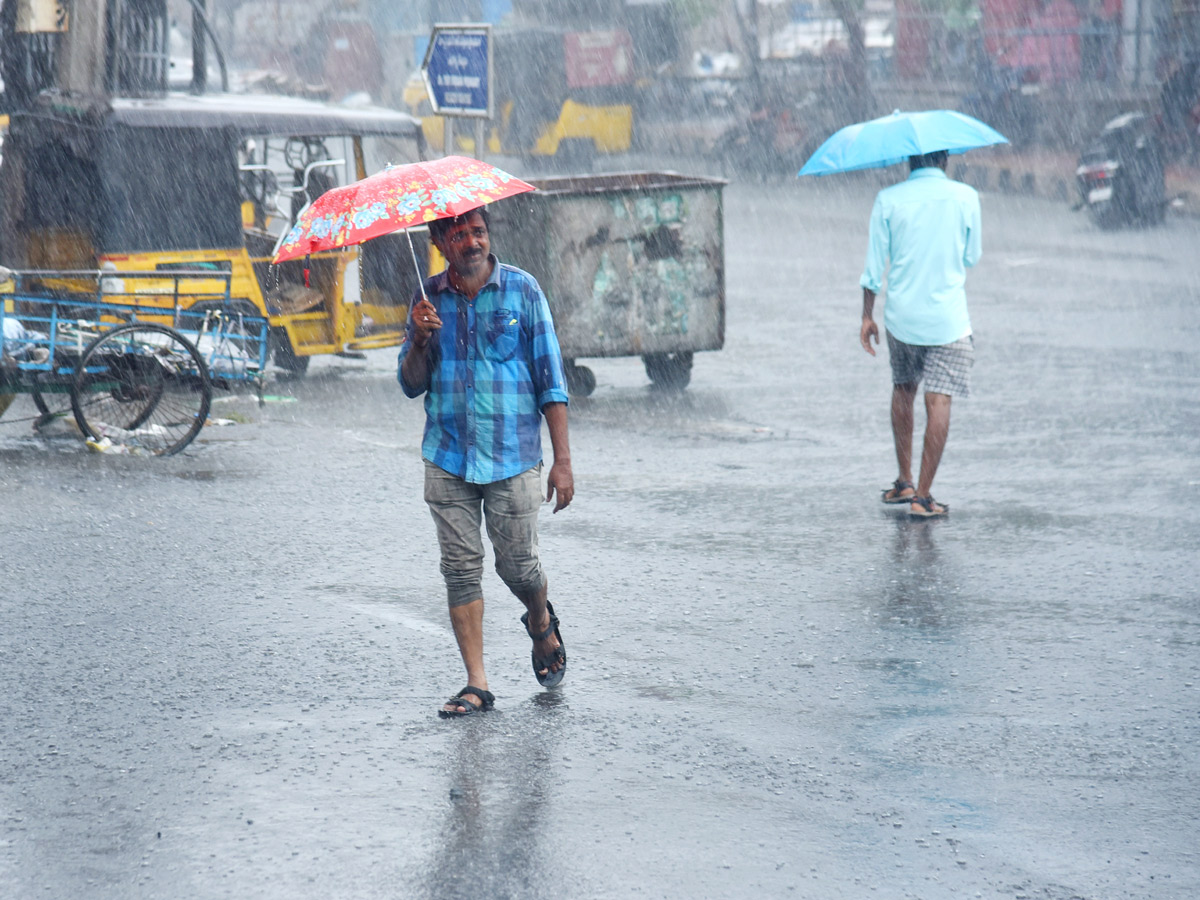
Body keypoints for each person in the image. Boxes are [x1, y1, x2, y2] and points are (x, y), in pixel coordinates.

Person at [397, 206, 574, 718]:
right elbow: (411, 383)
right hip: (448, 454)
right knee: (459, 569)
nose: (471, 242)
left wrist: (562, 461)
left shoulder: (523, 291)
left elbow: (552, 379)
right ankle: (477, 683)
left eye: (478, 232)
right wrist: (420, 339)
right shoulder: (425, 299)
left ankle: (540, 621)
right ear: (439, 243)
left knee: (518, 566)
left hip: (512, 455)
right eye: (458, 235)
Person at [859, 150, 982, 519]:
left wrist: (866, 315)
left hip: (902, 318)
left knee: (904, 388)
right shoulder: (966, 197)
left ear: (908, 162)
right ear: (945, 161)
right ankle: (924, 497)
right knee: (938, 401)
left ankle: (905, 480)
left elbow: (872, 266)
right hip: (949, 321)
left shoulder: (889, 199)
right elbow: (970, 257)